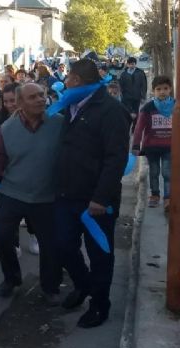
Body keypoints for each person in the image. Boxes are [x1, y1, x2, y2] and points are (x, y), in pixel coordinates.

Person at [53, 58, 131, 328]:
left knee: (100, 255)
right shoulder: (71, 107)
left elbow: (116, 158)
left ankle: (100, 305)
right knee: (63, 246)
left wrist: (100, 197)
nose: (65, 83)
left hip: (95, 202)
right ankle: (83, 285)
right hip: (66, 196)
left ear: (78, 81)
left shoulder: (111, 111)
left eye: (69, 79)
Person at [0, 83, 63, 301]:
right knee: (2, 238)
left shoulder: (59, 124)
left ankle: (50, 287)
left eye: (42, 94)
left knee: (50, 244)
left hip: (46, 196)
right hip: (13, 193)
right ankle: (12, 279)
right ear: (20, 104)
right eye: (33, 97)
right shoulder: (6, 130)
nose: (40, 99)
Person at [132, 75, 173, 210]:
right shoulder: (148, 108)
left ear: (170, 90)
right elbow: (139, 128)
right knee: (154, 172)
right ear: (153, 91)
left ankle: (168, 198)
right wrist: (136, 145)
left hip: (169, 147)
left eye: (165, 88)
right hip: (152, 147)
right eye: (158, 89)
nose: (162, 92)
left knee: (167, 173)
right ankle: (155, 195)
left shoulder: (176, 106)